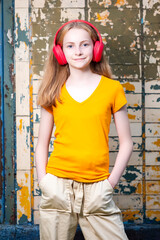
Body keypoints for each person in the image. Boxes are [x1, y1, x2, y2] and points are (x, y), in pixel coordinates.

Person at [35, 19, 133, 240]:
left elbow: (127, 142)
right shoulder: (53, 90)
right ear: (60, 52)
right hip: (57, 186)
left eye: (84, 44)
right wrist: (44, 182)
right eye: (70, 46)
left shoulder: (112, 89)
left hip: (98, 188)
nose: (78, 51)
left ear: (96, 48)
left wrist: (110, 184)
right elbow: (42, 143)